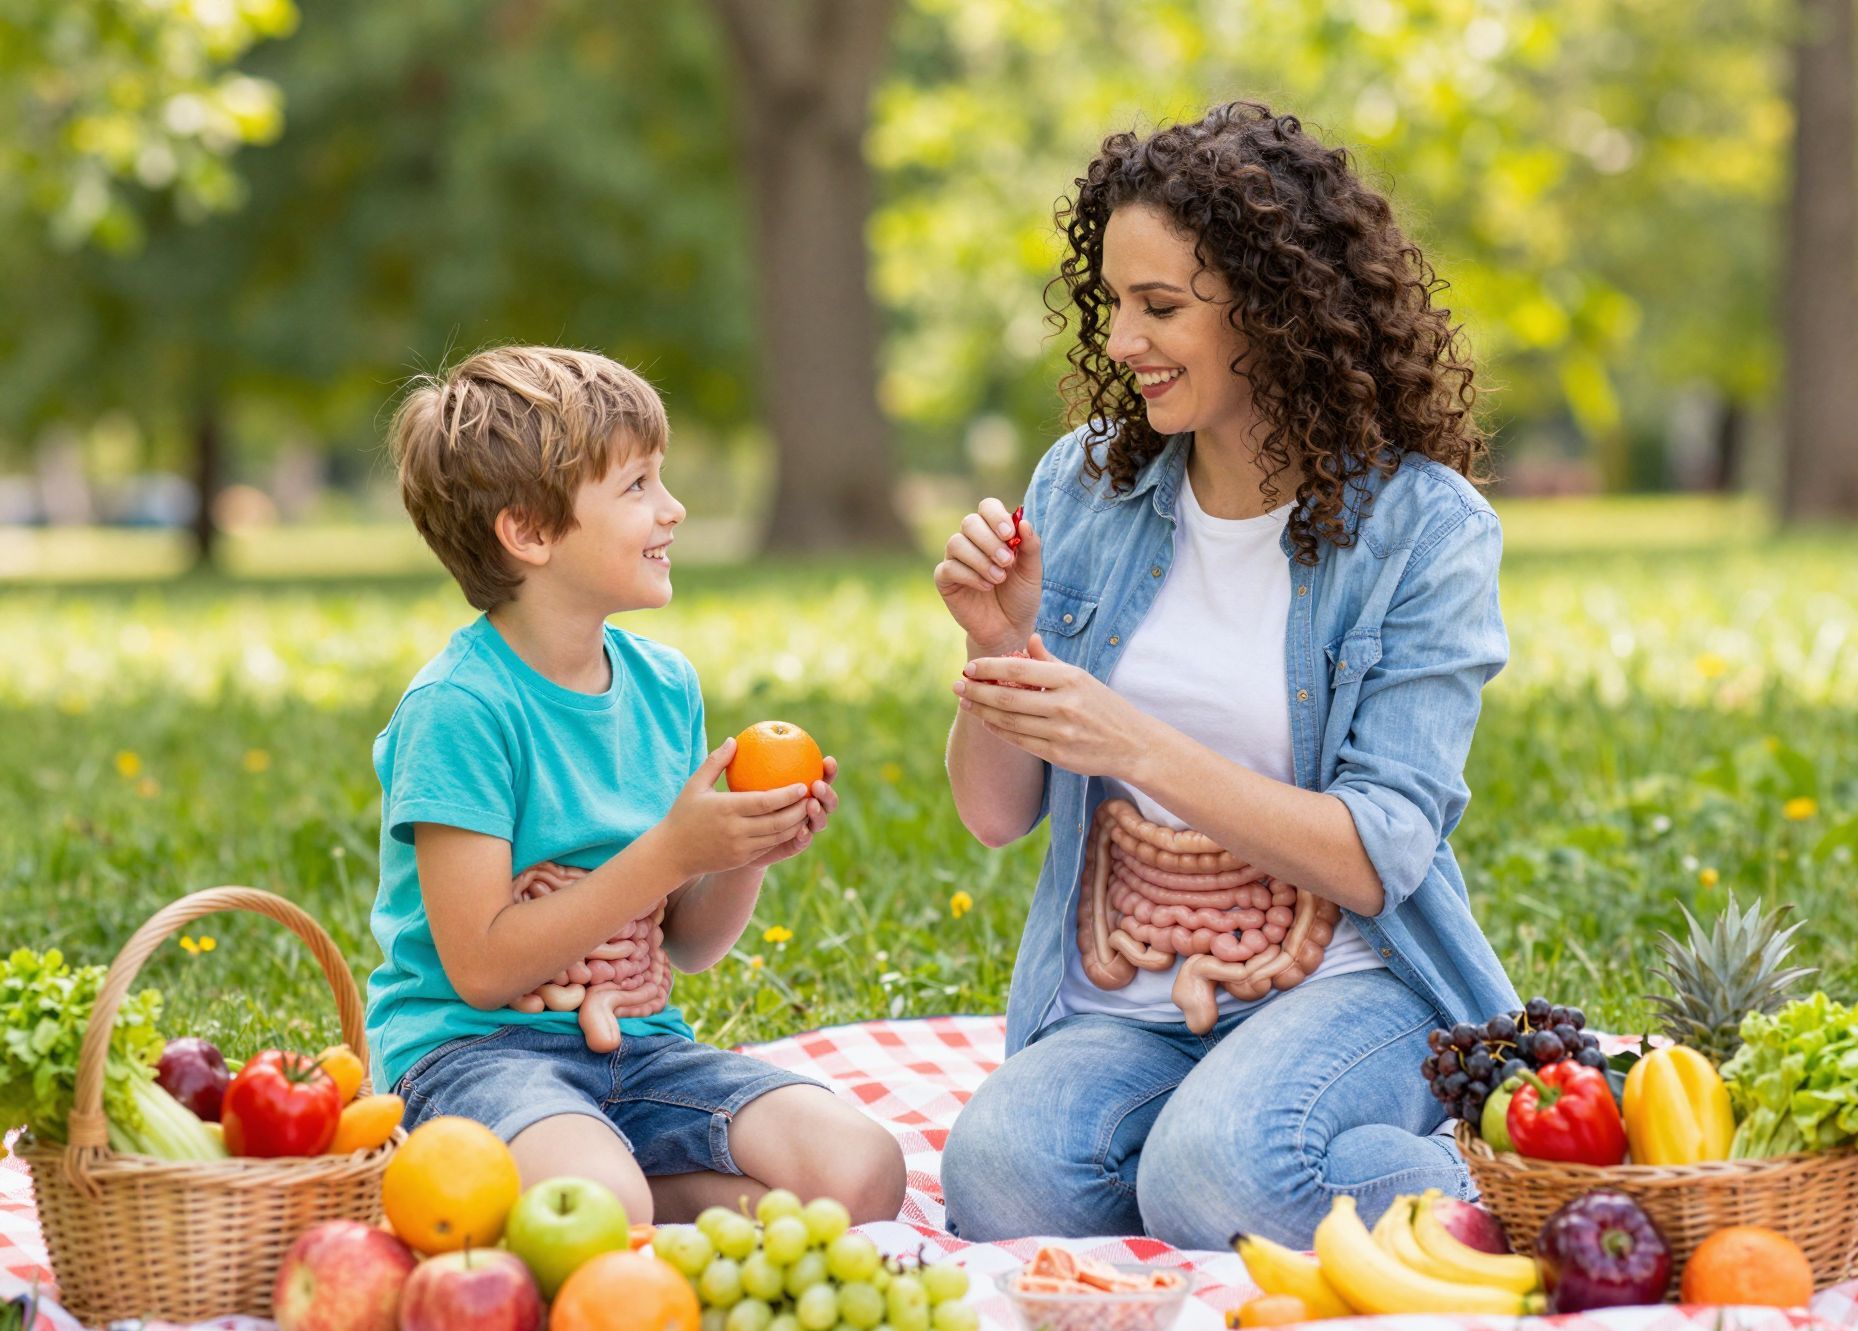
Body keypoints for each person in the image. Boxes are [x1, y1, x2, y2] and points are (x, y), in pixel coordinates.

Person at [936, 104, 1519, 1251]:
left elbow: (1377, 851)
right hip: (1132, 998)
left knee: (1219, 1177)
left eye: (1160, 308)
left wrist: (1134, 744)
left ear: (1278, 309)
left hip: (1351, 984)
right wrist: (994, 644)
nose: (1121, 342)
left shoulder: (1423, 531)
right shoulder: (1084, 490)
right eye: (1113, 305)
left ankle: (1494, 1174)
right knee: (999, 1178)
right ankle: (1279, 1161)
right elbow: (994, 816)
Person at [367, 345, 905, 1227]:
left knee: (865, 1171)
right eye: (638, 486)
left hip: (643, 1054)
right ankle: (612, 1192)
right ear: (530, 532)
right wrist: (668, 852)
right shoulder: (459, 709)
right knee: (597, 1204)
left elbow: (690, 944)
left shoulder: (664, 687)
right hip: (474, 1055)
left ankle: (638, 1193)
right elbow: (481, 967)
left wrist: (744, 851)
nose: (674, 507)